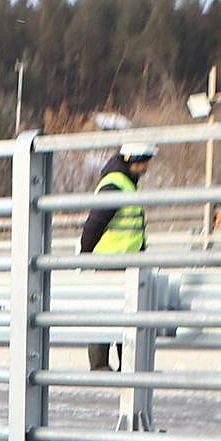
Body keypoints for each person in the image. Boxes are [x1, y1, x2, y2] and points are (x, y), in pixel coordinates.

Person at [80, 141, 155, 373]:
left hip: (128, 261)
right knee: (105, 313)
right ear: (131, 160)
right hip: (109, 260)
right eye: (143, 162)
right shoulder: (115, 185)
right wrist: (85, 255)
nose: (146, 167)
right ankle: (100, 364)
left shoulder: (128, 184)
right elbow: (95, 223)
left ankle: (126, 365)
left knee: (127, 315)